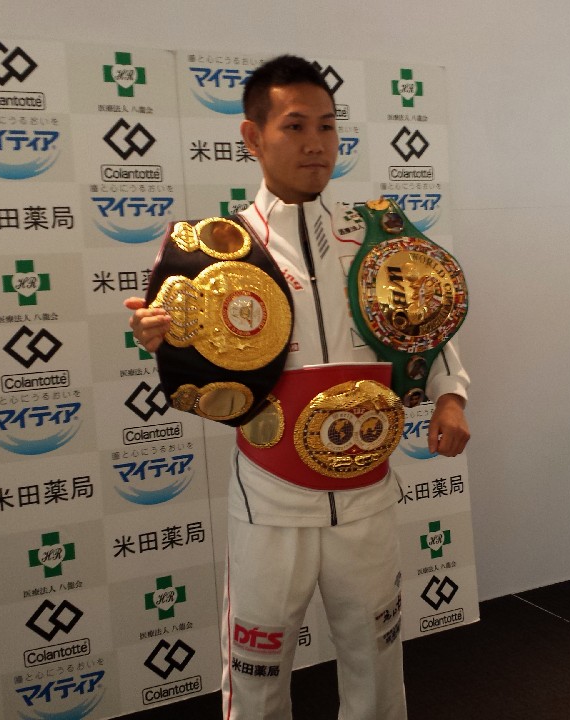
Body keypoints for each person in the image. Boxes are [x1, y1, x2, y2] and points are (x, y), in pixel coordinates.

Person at [125, 54, 470, 720]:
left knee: (377, 658)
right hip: (271, 497)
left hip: (367, 490)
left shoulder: (375, 239)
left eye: (327, 126)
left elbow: (428, 330)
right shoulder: (214, 253)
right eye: (294, 126)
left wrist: (451, 395)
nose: (315, 143)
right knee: (256, 673)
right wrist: (163, 338)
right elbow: (185, 353)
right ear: (252, 137)